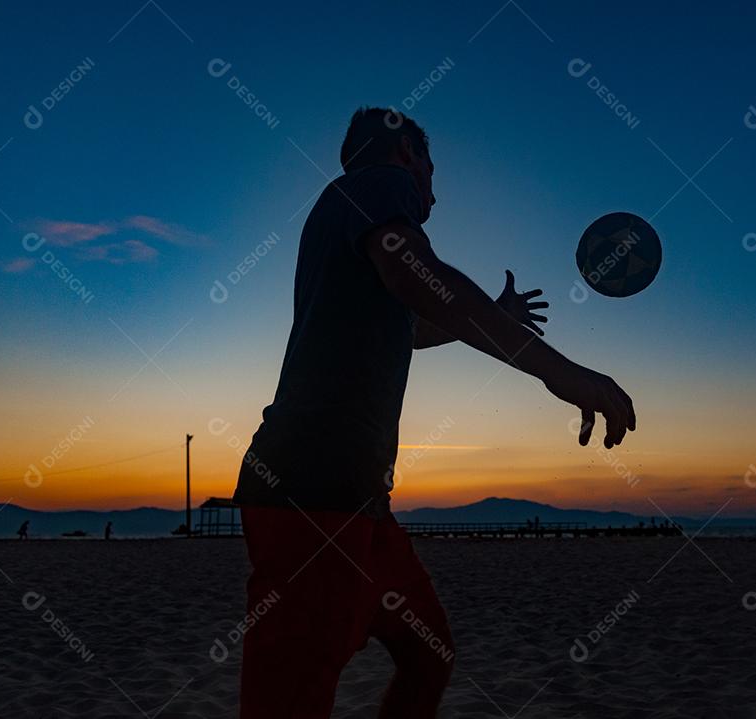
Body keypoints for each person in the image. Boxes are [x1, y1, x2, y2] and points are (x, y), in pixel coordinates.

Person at [232, 107, 636, 718]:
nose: (434, 193)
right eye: (430, 170)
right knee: (289, 704)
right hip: (312, 497)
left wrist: (495, 314)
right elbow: (419, 277)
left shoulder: (344, 213)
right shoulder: (376, 183)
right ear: (405, 155)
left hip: (360, 502)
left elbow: (410, 321)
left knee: (428, 656)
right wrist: (562, 372)